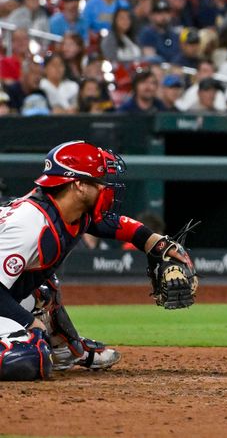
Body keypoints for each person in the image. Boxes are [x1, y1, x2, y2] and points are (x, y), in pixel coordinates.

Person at [0, 141, 193, 379]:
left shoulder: (66, 209)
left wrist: (156, 243)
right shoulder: (29, 225)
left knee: (43, 289)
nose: (106, 188)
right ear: (79, 185)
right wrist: (29, 323)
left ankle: (67, 350)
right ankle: (42, 345)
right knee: (28, 358)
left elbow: (111, 225)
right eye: (100, 181)